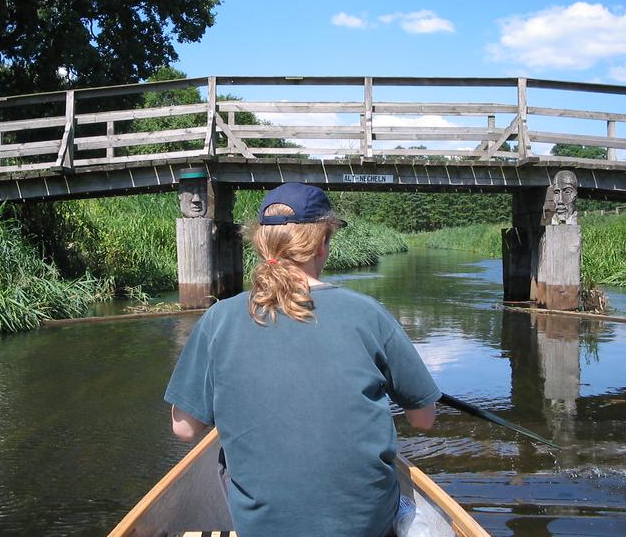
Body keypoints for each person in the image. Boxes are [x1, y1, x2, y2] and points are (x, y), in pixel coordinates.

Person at [165, 182, 441, 537]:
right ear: (322, 243)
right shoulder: (369, 314)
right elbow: (424, 419)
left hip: (264, 528)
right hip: (364, 527)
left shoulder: (219, 320)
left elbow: (184, 428)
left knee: (222, 461)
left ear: (263, 243)